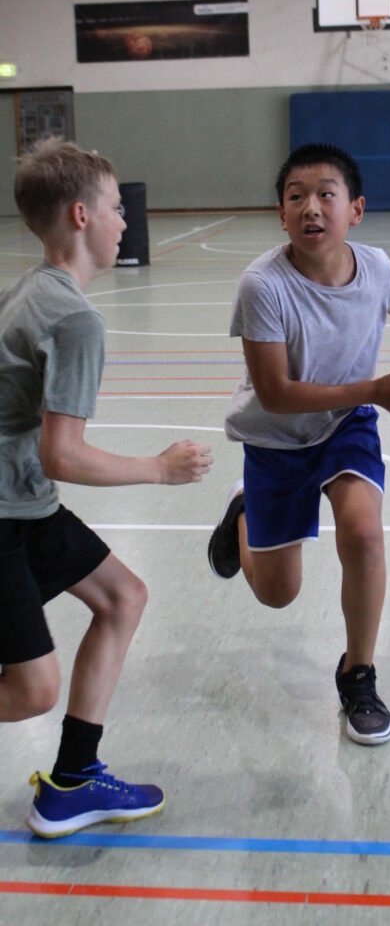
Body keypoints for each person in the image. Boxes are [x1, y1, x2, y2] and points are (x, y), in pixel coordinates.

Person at [207, 143, 390, 746]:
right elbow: (276, 394)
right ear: (281, 214)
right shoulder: (263, 286)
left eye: (326, 195)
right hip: (277, 439)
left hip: (346, 423)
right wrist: (377, 388)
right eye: (296, 197)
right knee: (277, 593)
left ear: (356, 209)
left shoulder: (373, 265)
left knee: (364, 534)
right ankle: (243, 511)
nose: (311, 207)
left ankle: (358, 675)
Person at [1, 138, 213, 838]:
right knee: (31, 689)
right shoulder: (73, 317)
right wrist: (159, 468)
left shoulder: (30, 289)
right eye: (117, 207)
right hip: (7, 510)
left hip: (25, 504)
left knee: (123, 596)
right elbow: (63, 453)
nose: (126, 220)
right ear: (81, 215)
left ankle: (72, 782)